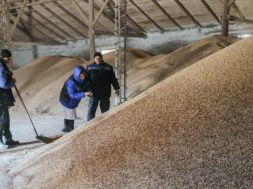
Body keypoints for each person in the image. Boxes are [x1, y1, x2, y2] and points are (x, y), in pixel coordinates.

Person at [86, 52, 120, 121]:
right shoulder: (89, 67)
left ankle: (105, 124)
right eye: (96, 58)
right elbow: (86, 80)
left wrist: (116, 88)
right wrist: (85, 90)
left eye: (99, 58)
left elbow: (113, 79)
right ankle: (88, 125)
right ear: (94, 59)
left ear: (101, 58)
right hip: (93, 93)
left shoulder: (108, 67)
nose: (98, 60)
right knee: (91, 111)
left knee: (105, 112)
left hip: (105, 93)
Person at [59, 66, 93, 132]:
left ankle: (67, 128)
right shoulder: (71, 82)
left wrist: (88, 91)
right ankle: (69, 129)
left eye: (84, 76)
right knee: (70, 114)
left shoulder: (84, 78)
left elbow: (86, 86)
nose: (83, 78)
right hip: (67, 100)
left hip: (73, 101)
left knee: (69, 114)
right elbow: (72, 94)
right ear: (77, 75)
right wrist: (84, 94)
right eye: (81, 76)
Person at [0, 49, 19, 149]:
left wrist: (9, 75)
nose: (10, 59)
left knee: (5, 118)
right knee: (3, 119)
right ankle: (1, 141)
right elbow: (4, 84)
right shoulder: (1, 66)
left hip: (2, 97)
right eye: (9, 57)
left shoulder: (2, 65)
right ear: (6, 57)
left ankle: (8, 138)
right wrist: (13, 82)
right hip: (1, 97)